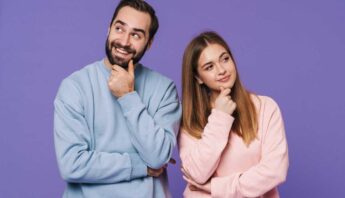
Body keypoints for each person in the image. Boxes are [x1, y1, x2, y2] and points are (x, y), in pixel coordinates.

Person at [53, 0, 181, 197]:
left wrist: (127, 96)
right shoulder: (75, 86)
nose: (124, 41)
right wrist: (140, 166)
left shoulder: (165, 89)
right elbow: (72, 164)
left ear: (150, 43)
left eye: (136, 35)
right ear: (108, 29)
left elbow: (156, 157)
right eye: (119, 28)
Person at [178, 31, 289, 198]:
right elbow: (197, 174)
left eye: (225, 59)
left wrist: (216, 187)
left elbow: (275, 171)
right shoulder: (189, 120)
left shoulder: (266, 107)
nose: (222, 70)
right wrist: (220, 117)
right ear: (198, 77)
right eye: (209, 67)